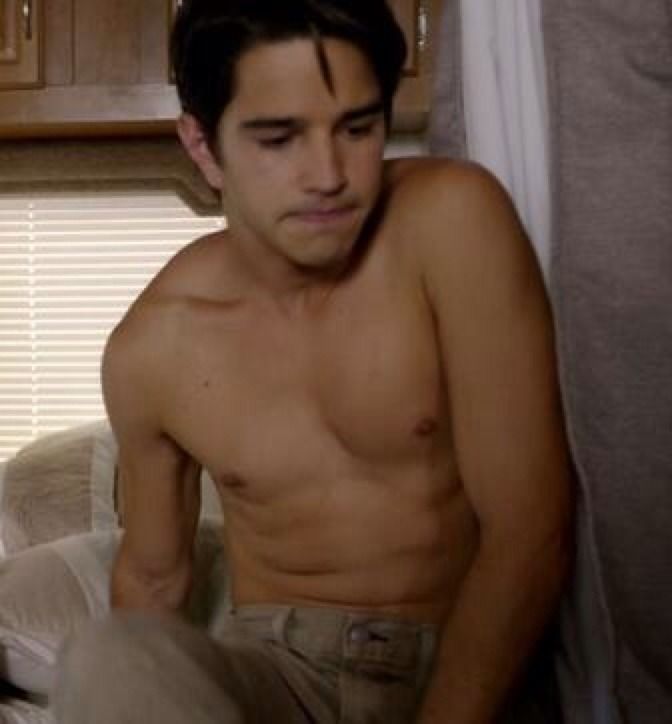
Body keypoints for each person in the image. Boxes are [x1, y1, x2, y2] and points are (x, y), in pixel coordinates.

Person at [53, 1, 573, 722]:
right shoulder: (153, 349)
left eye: (357, 129)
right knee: (107, 657)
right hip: (282, 673)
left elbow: (530, 530)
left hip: (465, 666)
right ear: (202, 146)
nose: (328, 175)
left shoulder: (452, 221)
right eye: (279, 138)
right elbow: (151, 584)